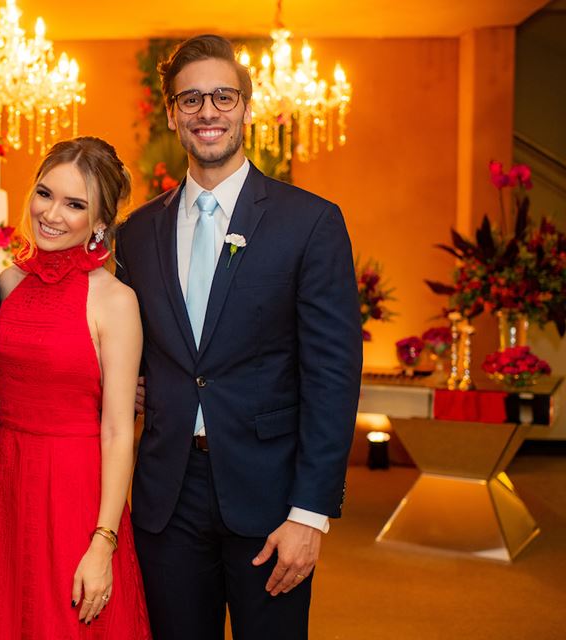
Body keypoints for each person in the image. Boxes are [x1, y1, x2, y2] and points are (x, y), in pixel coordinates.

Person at [115, 35, 362, 639]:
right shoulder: (137, 232)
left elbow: (333, 376)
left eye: (223, 96)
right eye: (191, 98)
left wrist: (311, 514)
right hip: (165, 498)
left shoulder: (311, 222)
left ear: (248, 108)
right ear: (172, 113)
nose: (208, 112)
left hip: (272, 495)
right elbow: (123, 341)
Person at [0, 137, 151, 639]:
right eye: (45, 193)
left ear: (100, 223)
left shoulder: (116, 301)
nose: (51, 213)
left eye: (75, 204)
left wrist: (103, 541)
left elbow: (117, 430)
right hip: (8, 478)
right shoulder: (7, 283)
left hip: (76, 491)